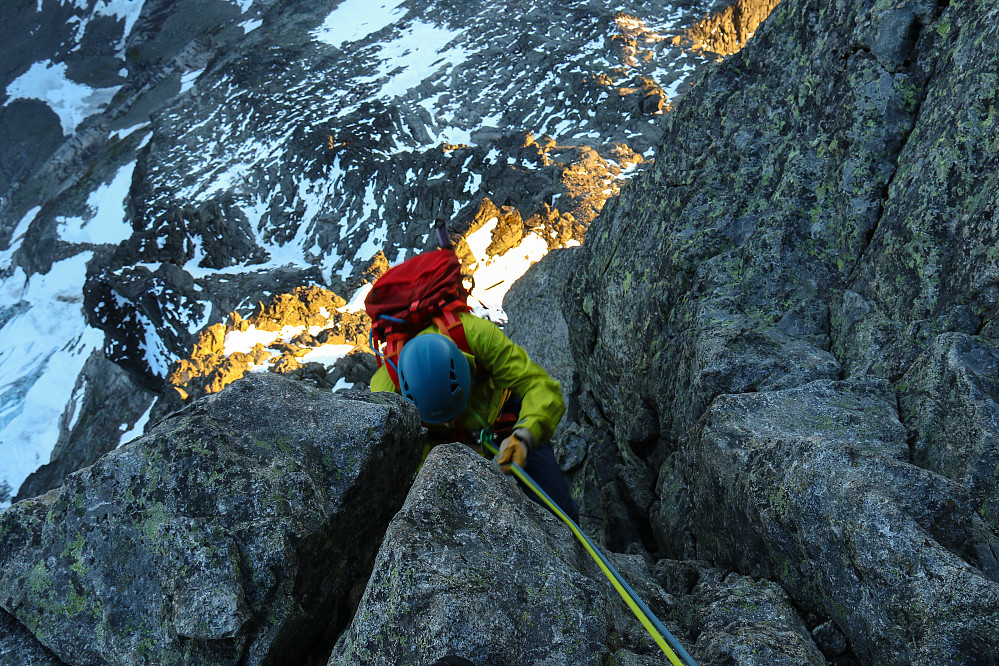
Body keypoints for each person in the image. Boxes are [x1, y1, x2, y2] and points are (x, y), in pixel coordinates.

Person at [369, 310, 580, 523]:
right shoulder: (387, 393)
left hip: (507, 422)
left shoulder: (476, 335)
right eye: (439, 418)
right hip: (447, 448)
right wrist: (453, 460)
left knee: (560, 512)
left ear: (464, 369)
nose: (448, 423)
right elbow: (409, 455)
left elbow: (539, 385)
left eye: (452, 411)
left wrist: (525, 436)